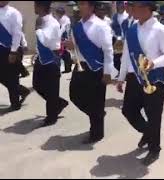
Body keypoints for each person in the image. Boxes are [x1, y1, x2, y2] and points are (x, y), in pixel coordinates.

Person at [116, 1, 164, 166]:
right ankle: (148, 132)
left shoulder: (160, 30)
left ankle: (154, 149)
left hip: (154, 79)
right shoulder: (132, 29)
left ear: (147, 9)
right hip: (134, 77)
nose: (131, 9)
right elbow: (126, 55)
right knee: (128, 110)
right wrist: (121, 78)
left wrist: (154, 63)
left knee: (154, 116)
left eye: (134, 7)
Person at [64, 1, 117, 144]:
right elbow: (76, 49)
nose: (79, 7)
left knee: (96, 101)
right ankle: (98, 115)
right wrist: (71, 47)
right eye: (78, 5)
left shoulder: (101, 26)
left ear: (91, 7)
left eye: (82, 4)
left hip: (97, 68)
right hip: (81, 66)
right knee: (75, 95)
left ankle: (96, 134)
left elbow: (108, 51)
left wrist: (108, 72)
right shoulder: (77, 26)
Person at [33, 1, 69, 127]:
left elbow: (46, 41)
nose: (34, 8)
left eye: (36, 5)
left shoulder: (52, 22)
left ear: (41, 7)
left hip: (52, 59)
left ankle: (51, 117)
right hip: (41, 57)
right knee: (37, 85)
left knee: (51, 89)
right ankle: (58, 103)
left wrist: (38, 29)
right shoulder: (41, 19)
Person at [0, 1, 30, 112]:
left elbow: (17, 33)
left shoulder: (13, 13)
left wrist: (13, 52)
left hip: (11, 49)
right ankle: (21, 91)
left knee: (12, 77)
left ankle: (15, 104)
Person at [111, 1, 128, 71]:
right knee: (116, 57)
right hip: (117, 39)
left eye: (122, 4)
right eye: (119, 4)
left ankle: (126, 73)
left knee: (126, 57)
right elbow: (112, 28)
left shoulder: (127, 16)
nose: (120, 6)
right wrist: (116, 36)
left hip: (126, 40)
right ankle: (119, 71)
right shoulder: (114, 16)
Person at [55, 6, 73, 74]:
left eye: (57, 13)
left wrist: (59, 37)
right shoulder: (60, 19)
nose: (56, 15)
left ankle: (68, 67)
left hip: (64, 37)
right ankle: (68, 67)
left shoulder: (65, 19)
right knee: (64, 53)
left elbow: (63, 29)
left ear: (60, 13)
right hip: (62, 37)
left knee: (64, 53)